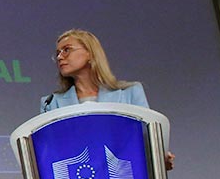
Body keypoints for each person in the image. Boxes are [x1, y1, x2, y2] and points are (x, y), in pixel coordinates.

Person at [41, 28, 174, 169]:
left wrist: (159, 157)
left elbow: (148, 139)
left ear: (90, 54)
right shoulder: (51, 103)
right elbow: (49, 153)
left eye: (67, 50)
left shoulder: (130, 93)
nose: (60, 57)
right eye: (57, 53)